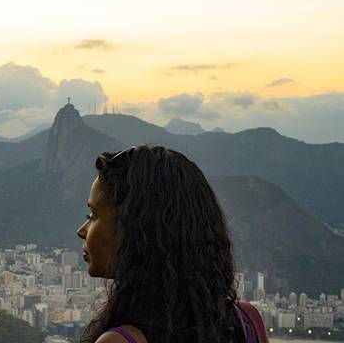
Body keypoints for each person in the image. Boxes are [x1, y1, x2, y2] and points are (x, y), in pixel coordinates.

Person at [76, 146, 268, 343]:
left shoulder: (121, 340)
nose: (82, 231)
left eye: (93, 215)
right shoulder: (247, 322)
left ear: (135, 230)